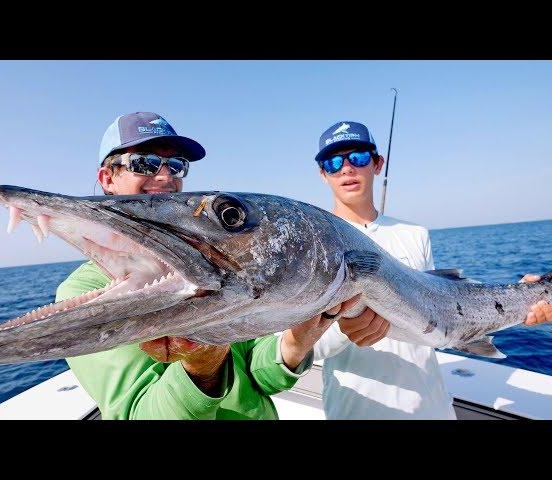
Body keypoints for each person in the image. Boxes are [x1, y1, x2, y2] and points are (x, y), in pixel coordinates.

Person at [55, 112, 332, 419]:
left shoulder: (213, 261)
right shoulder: (84, 290)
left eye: (175, 165)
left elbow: (258, 376)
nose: (165, 177)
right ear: (108, 178)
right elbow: (138, 413)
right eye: (144, 162)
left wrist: (298, 340)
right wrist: (202, 368)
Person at [309, 120, 552, 419]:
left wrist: (522, 306)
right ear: (323, 174)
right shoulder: (317, 245)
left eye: (358, 157)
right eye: (333, 162)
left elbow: (444, 314)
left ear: (377, 163)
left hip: (433, 407)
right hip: (354, 410)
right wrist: (347, 328)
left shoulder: (415, 233)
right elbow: (301, 352)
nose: (347, 168)